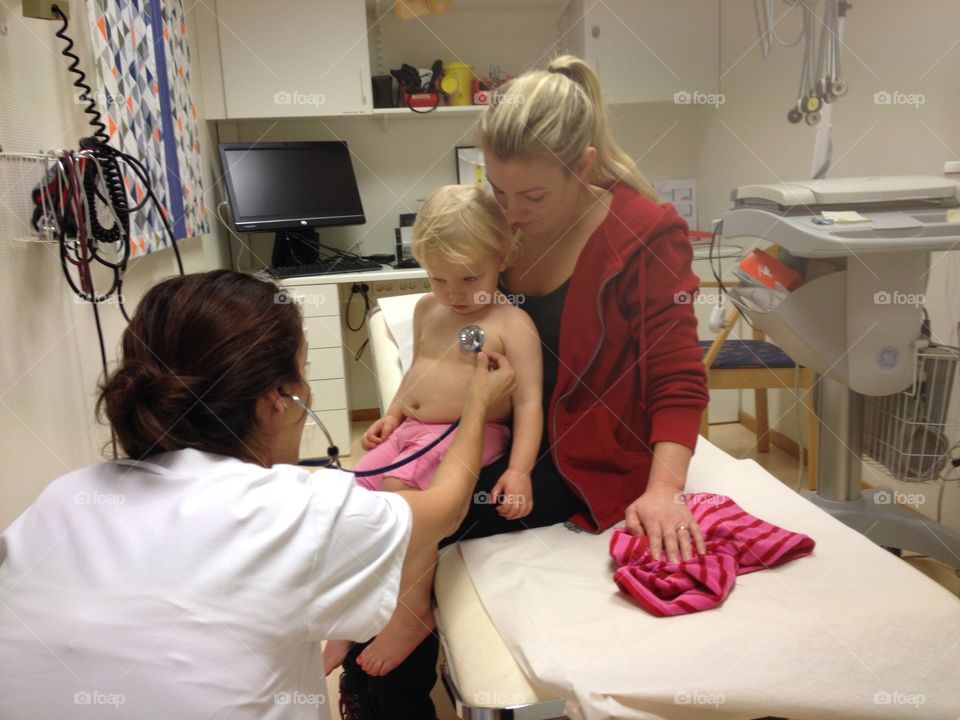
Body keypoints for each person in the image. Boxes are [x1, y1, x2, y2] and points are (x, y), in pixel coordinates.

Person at [338, 54, 710, 720]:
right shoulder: (497, 220)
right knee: (375, 508)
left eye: (531, 197)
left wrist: (663, 491)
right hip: (498, 434)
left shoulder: (644, 234)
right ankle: (377, 682)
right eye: (498, 191)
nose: (510, 212)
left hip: (577, 459)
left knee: (410, 524)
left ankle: (386, 689)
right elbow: (481, 326)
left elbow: (677, 377)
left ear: (584, 165)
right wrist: (453, 395)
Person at [0, 270, 516, 720]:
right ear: (279, 399)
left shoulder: (64, 498)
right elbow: (446, 509)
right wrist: (478, 405)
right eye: (305, 373)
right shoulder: (295, 513)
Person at [323, 185, 542, 678]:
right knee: (354, 496)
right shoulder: (427, 308)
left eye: (470, 278)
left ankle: (412, 612)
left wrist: (520, 471)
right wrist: (394, 414)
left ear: (501, 256)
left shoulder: (512, 322)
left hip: (468, 434)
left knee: (403, 501)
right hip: (413, 432)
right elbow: (417, 368)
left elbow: (528, 402)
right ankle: (359, 605)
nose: (455, 294)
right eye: (439, 279)